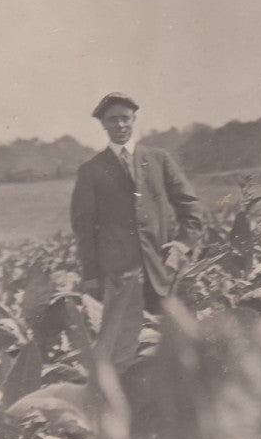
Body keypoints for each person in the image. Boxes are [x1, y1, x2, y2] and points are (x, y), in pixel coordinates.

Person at [69, 93, 203, 366]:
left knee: (171, 347)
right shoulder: (91, 170)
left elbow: (190, 207)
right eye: (112, 120)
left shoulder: (158, 159)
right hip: (118, 277)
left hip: (162, 270)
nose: (120, 125)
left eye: (125, 119)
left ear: (134, 121)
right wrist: (92, 276)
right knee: (125, 353)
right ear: (103, 125)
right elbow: (83, 228)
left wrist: (182, 245)